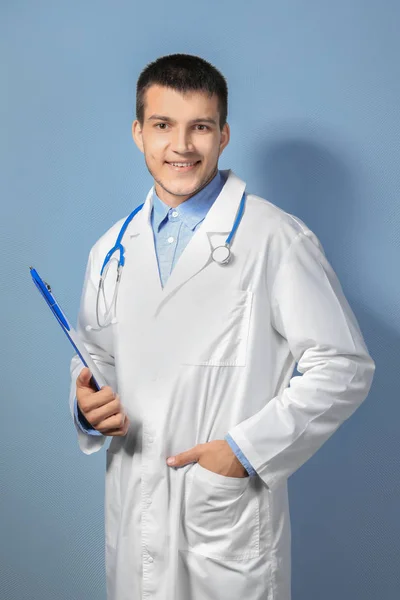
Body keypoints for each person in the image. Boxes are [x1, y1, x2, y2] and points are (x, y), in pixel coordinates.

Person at [69, 53, 375, 600]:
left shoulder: (275, 238)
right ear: (139, 132)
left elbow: (344, 366)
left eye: (200, 127)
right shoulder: (111, 250)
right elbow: (95, 357)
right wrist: (86, 406)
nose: (181, 146)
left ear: (224, 134)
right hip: (135, 507)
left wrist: (244, 450)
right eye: (163, 125)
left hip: (224, 518)